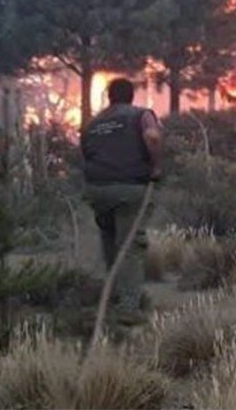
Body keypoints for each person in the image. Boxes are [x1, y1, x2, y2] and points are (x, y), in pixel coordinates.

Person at [80, 78, 162, 314]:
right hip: (130, 188)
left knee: (109, 242)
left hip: (98, 190)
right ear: (131, 96)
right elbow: (153, 137)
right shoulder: (141, 115)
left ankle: (113, 297)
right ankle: (128, 308)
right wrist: (156, 167)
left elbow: (85, 154)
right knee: (130, 246)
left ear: (110, 96)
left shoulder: (93, 123)